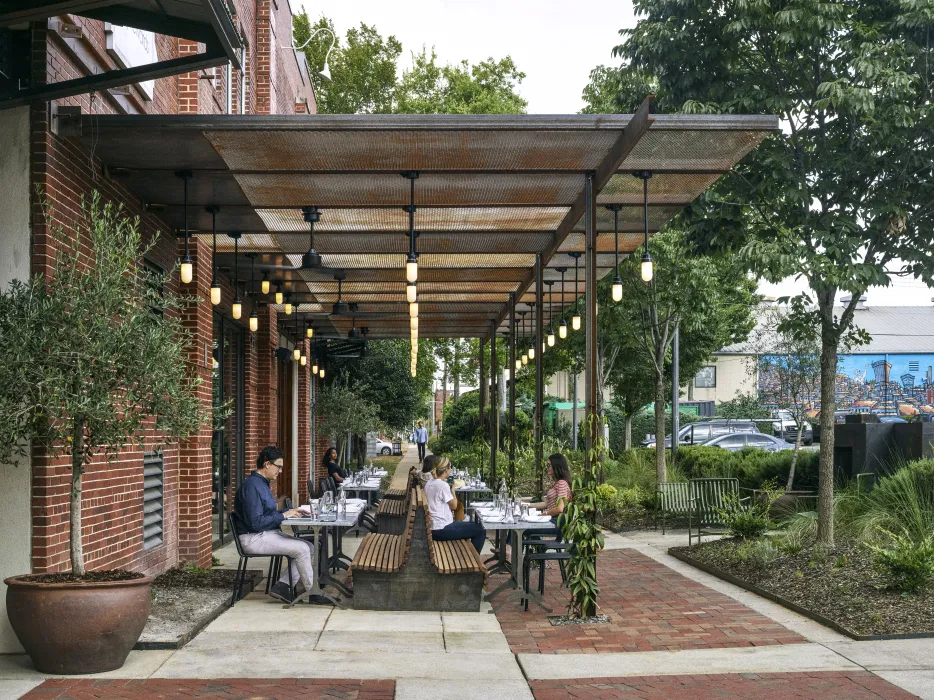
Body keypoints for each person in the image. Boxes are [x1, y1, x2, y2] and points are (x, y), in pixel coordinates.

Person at [233, 446, 315, 604]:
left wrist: (291, 511)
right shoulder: (252, 487)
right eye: (279, 467)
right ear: (267, 464)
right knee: (303, 549)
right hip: (253, 538)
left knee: (309, 547)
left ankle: (283, 586)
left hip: (266, 534)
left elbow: (267, 513)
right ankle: (312, 592)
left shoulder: (262, 483)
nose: (281, 471)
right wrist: (283, 515)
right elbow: (256, 522)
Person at [424, 456, 486, 553]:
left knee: (474, 525)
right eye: (450, 468)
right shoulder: (442, 485)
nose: (451, 470)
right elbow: (454, 506)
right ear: (445, 470)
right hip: (442, 529)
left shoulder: (430, 482)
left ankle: (471, 558)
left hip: (435, 526)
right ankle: (474, 561)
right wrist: (452, 491)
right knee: (481, 530)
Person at [528, 453, 572, 525]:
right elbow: (547, 503)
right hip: (551, 519)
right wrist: (526, 505)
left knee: (524, 528)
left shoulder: (562, 483)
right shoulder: (557, 483)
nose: (547, 467)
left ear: (556, 466)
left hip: (555, 521)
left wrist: (545, 514)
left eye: (549, 465)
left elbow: (559, 509)